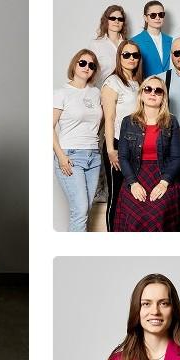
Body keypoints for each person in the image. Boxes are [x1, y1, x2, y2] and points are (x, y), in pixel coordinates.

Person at [116, 76, 180, 231]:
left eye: (158, 91)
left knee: (158, 213)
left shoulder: (171, 122)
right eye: (148, 89)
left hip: (164, 174)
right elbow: (123, 157)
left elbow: (176, 158)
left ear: (163, 97)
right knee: (134, 214)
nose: (153, 93)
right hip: (136, 174)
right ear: (141, 94)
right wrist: (133, 183)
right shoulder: (128, 121)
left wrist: (164, 183)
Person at [53, 49, 103, 231]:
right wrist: (61, 157)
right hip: (71, 156)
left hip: (94, 157)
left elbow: (101, 121)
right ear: (74, 65)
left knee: (85, 210)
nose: (86, 67)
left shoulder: (96, 93)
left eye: (91, 65)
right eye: (83, 63)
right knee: (80, 210)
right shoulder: (61, 93)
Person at [102, 40, 143, 230]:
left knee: (133, 194)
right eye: (126, 55)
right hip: (117, 145)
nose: (131, 58)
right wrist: (111, 149)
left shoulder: (139, 83)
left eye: (135, 55)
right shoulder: (112, 82)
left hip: (137, 147)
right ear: (119, 57)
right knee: (116, 194)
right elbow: (109, 118)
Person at [131, 1, 172, 78]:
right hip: (146, 86)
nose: (158, 18)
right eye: (153, 15)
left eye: (161, 14)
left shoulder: (171, 41)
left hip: (169, 87)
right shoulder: (135, 42)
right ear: (145, 18)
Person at [89, 5, 127, 87]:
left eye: (120, 19)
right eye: (113, 18)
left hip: (125, 93)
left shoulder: (128, 45)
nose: (116, 21)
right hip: (102, 91)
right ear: (106, 20)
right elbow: (90, 72)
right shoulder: (96, 44)